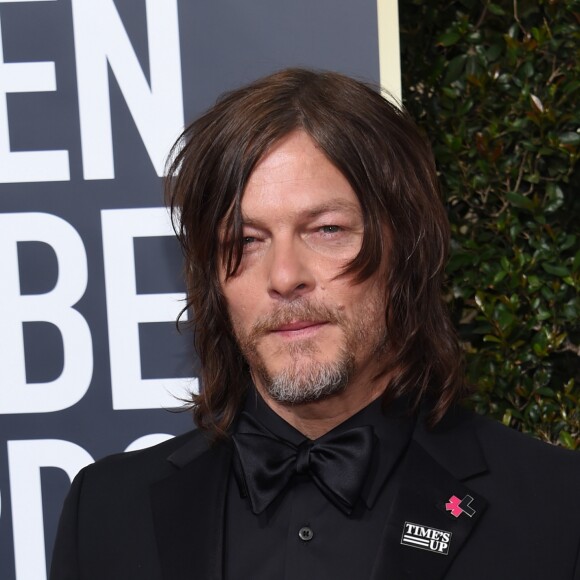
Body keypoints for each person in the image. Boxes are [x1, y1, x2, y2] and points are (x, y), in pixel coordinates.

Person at [50, 69, 580, 580]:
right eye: (245, 241)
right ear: (213, 280)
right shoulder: (105, 514)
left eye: (326, 229)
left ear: (408, 251)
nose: (284, 276)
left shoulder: (556, 510)